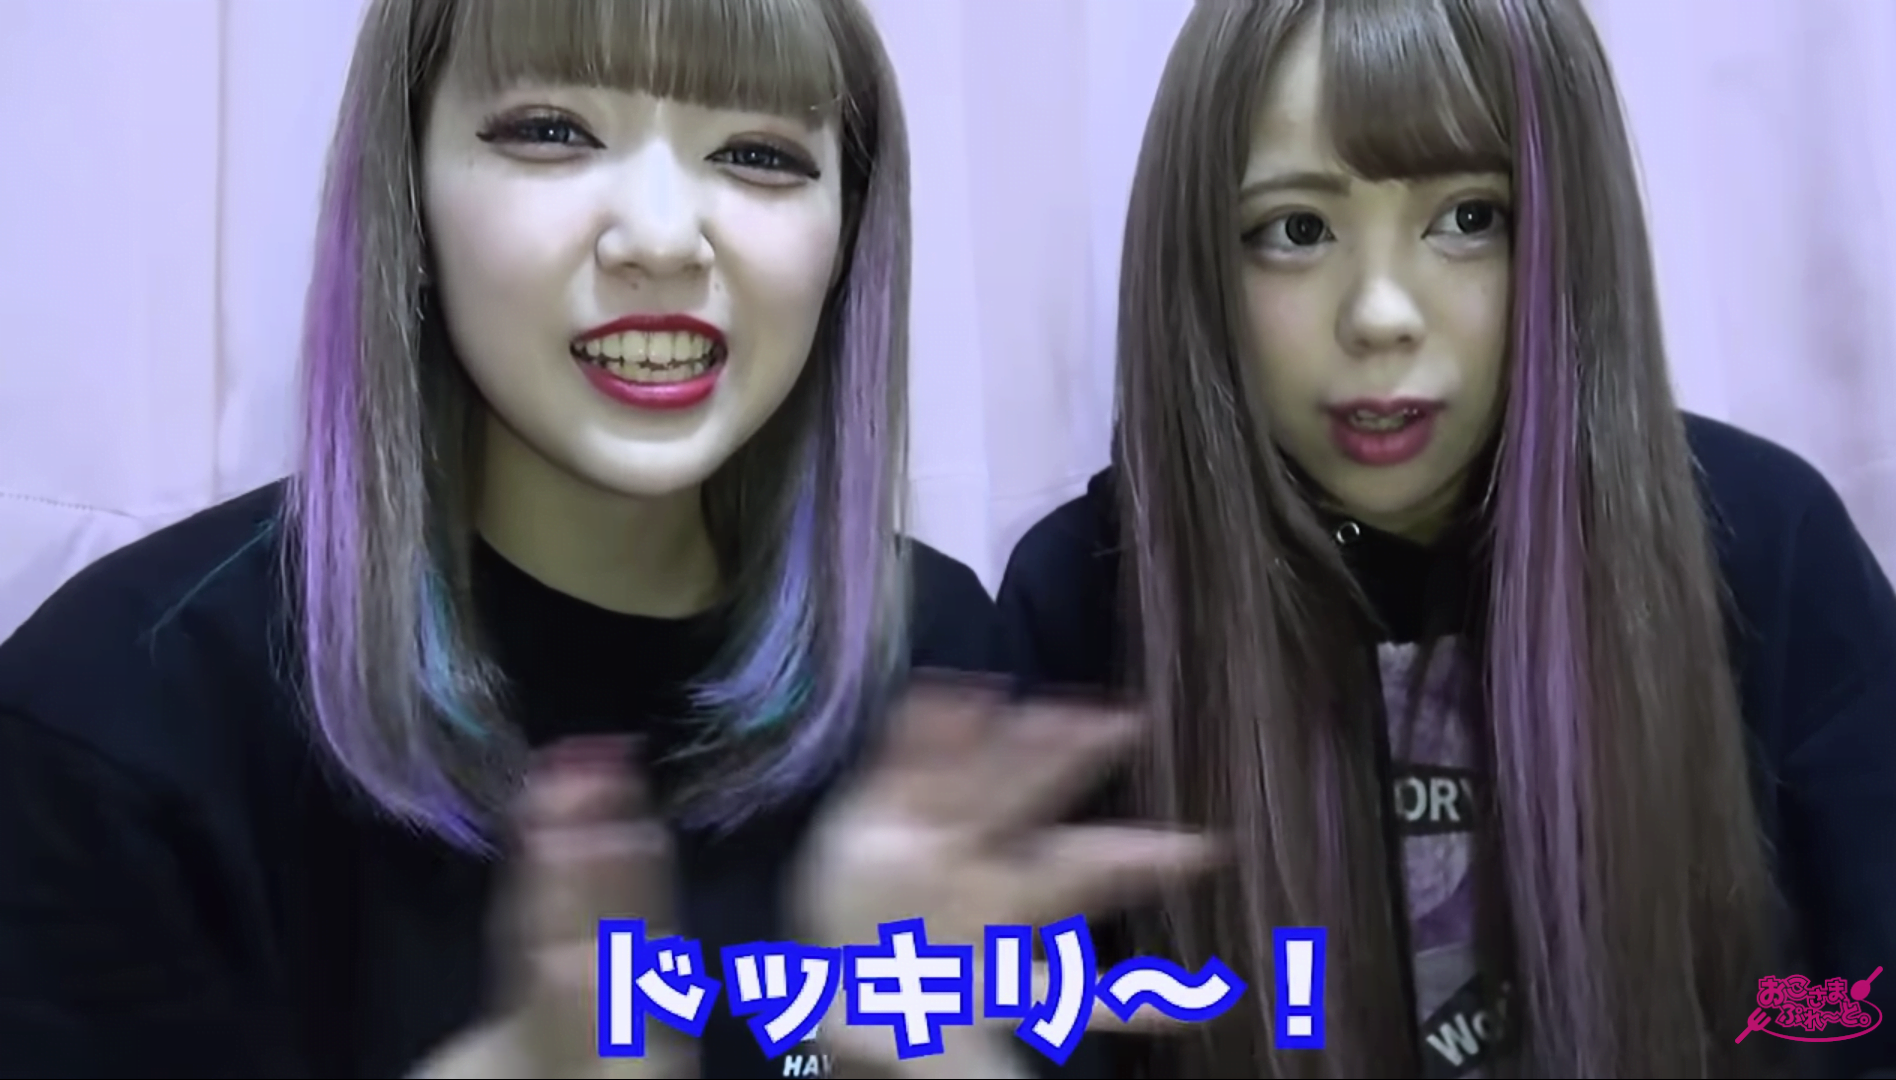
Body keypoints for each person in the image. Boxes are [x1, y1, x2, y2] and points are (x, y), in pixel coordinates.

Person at [0, 1, 1210, 1077]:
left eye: (758, 154)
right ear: (407, 189)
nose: (663, 236)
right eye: (551, 132)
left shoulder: (936, 659)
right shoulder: (119, 716)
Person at [996, 0, 1896, 1077]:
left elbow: (1884, 1018)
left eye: (1469, 217)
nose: (1381, 313)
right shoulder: (1085, 597)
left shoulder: (1764, 541)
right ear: (1202, 260)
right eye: (1297, 231)